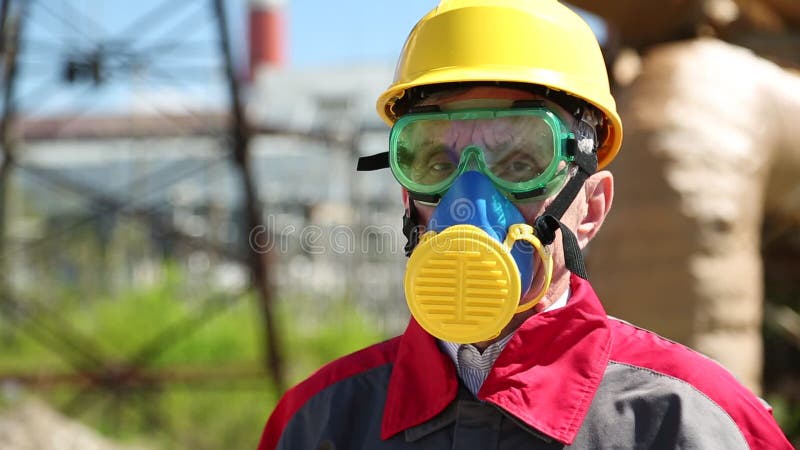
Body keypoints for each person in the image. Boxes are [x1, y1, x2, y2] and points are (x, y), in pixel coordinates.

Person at [258, 0, 793, 448]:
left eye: (520, 163)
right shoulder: (316, 423)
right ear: (406, 194)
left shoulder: (694, 423)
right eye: (438, 165)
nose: (468, 201)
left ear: (593, 206)